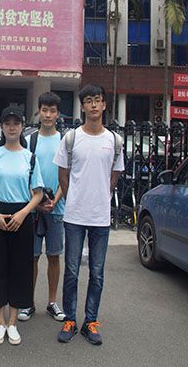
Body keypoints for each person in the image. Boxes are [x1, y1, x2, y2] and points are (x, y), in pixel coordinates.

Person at [54, 84, 125, 345]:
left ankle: (90, 321)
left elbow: (114, 175)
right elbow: (63, 174)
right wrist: (73, 197)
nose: (93, 105)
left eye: (98, 100)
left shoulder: (114, 141)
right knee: (71, 271)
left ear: (104, 104)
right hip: (74, 216)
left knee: (97, 272)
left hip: (100, 218)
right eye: (88, 101)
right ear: (82, 106)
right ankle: (70, 319)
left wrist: (101, 197)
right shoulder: (71, 138)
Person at [0, 106, 44, 346]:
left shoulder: (30, 157)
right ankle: (0, 322)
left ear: (22, 126)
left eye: (16, 123)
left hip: (22, 216)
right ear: (2, 127)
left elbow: (38, 193)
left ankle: (13, 322)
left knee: (20, 269)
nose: (11, 127)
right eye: (7, 123)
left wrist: (23, 213)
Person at [19, 92, 66, 322]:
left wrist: (55, 199)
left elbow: (67, 175)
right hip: (34, 208)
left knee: (54, 256)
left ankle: (52, 302)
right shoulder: (30, 140)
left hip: (57, 207)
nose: (48, 115)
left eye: (52, 111)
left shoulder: (65, 141)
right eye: (44, 110)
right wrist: (36, 202)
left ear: (58, 114)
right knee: (32, 257)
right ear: (39, 112)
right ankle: (27, 302)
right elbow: (24, 174)